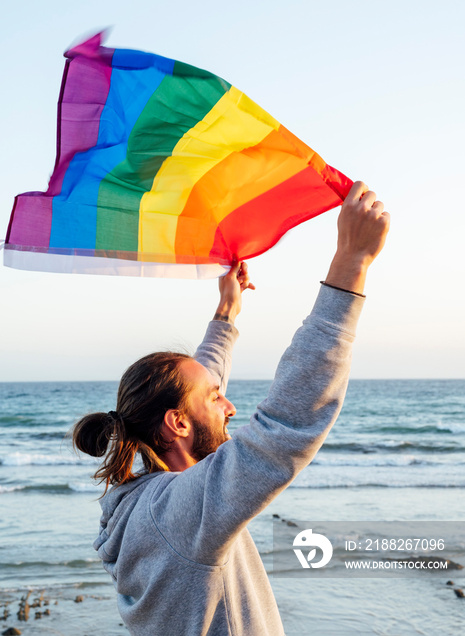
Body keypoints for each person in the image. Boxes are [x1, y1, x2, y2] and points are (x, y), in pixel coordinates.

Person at [73, 180, 390, 636]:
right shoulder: (177, 513)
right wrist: (350, 264)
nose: (231, 406)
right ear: (176, 424)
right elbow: (282, 428)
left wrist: (226, 314)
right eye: (215, 397)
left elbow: (197, 385)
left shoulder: (144, 505)